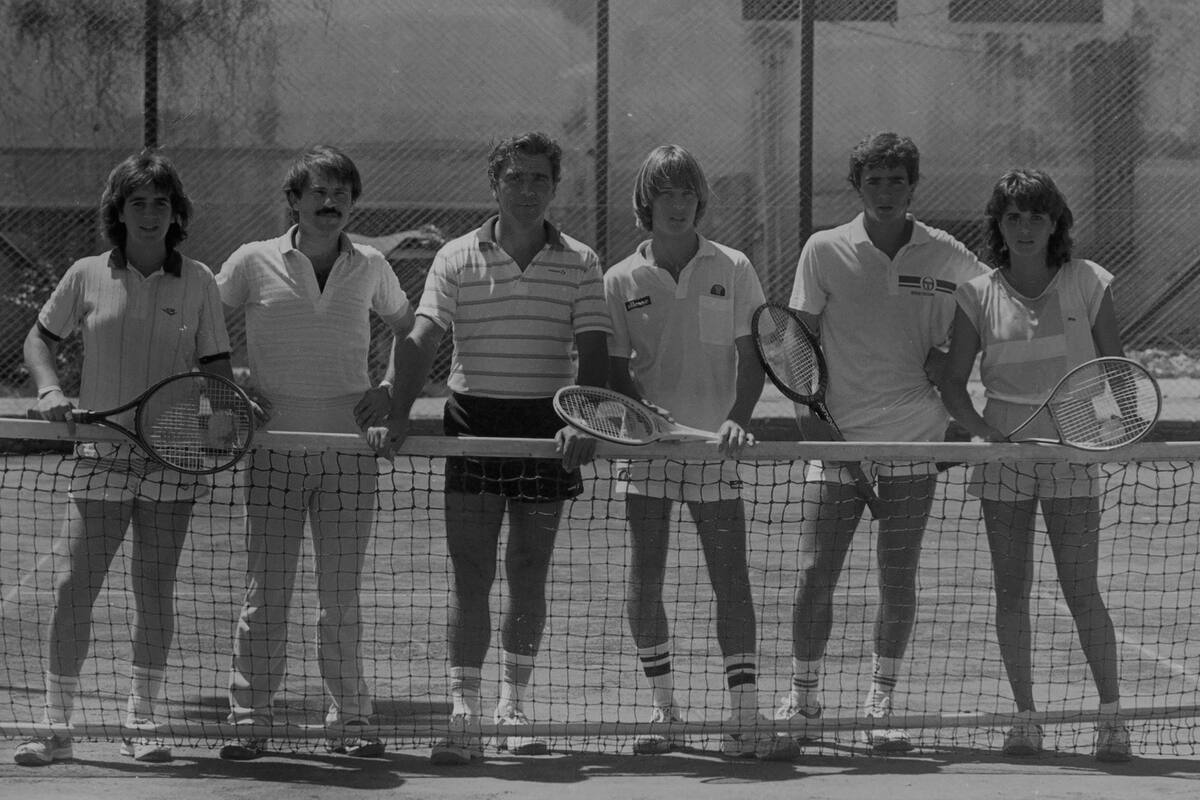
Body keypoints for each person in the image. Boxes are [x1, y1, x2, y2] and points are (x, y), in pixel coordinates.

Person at [367, 131, 610, 765]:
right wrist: (397, 414)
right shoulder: (453, 257)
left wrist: (583, 421)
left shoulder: (582, 261)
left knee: (529, 570)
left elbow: (595, 353)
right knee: (470, 574)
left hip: (547, 430)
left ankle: (514, 707)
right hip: (472, 424)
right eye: (515, 179)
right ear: (494, 185)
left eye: (540, 180)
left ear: (553, 188)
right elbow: (421, 339)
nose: (527, 191)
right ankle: (464, 712)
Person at [14, 152, 235, 766]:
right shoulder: (86, 274)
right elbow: (40, 339)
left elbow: (216, 366)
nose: (149, 212)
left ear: (175, 214)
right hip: (100, 457)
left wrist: (222, 413)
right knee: (72, 586)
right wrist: (50, 389)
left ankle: (143, 721)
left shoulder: (199, 280)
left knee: (153, 592)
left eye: (160, 202)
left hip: (171, 459)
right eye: (137, 202)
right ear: (118, 212)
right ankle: (56, 725)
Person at [776, 132, 988, 753]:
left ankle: (881, 702)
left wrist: (952, 360)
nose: (887, 191)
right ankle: (804, 695)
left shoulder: (947, 253)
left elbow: (993, 307)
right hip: (836, 442)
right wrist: (807, 422)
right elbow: (797, 344)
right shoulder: (824, 250)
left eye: (898, 180)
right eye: (876, 180)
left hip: (915, 438)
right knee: (817, 572)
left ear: (912, 185)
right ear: (858, 186)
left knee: (898, 577)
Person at [215, 145, 414, 761]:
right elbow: (203, 323)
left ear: (353, 203)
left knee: (340, 599)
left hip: (349, 457)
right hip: (272, 454)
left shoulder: (373, 264)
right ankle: (249, 718)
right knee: (266, 594)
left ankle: (351, 718)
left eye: (342, 194)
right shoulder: (252, 262)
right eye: (318, 192)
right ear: (293, 201)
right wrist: (235, 386)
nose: (331, 203)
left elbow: (410, 330)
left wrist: (387, 392)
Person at [603, 144, 790, 760]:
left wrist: (738, 420)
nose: (677, 205)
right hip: (650, 454)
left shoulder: (732, 265)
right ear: (647, 202)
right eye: (665, 193)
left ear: (699, 200)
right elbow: (615, 367)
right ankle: (665, 713)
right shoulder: (621, 278)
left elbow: (752, 355)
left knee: (730, 581)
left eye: (686, 193)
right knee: (645, 578)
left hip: (716, 455)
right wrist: (639, 413)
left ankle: (745, 716)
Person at [939, 169, 1130, 762]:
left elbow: (1117, 376)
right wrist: (987, 435)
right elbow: (951, 385)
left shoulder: (1089, 282)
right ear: (998, 224)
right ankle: (1024, 718)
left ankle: (1112, 718)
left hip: (1072, 455)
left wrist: (1107, 428)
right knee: (1011, 590)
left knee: (1081, 590)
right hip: (1006, 462)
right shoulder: (976, 294)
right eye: (1013, 217)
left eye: (1037, 217)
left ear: (1056, 224)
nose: (1025, 228)